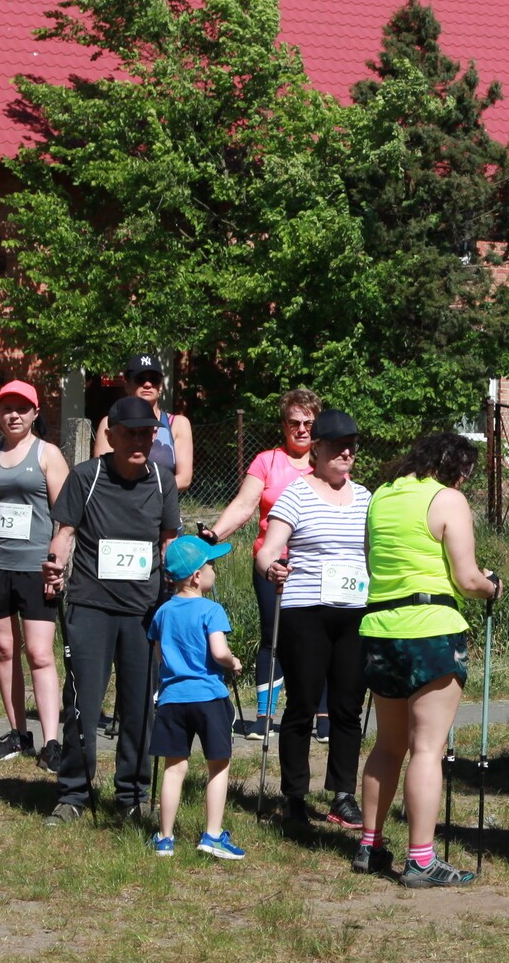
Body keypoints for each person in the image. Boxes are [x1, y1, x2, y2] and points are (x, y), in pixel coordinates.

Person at [358, 431, 504, 887]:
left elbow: (372, 561)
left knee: (387, 745)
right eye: (465, 473)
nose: (464, 481)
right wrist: (493, 586)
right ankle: (420, 860)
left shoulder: (381, 496)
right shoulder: (447, 499)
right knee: (427, 747)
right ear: (454, 467)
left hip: (380, 628)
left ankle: (369, 845)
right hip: (431, 629)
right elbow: (466, 579)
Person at [47, 396, 181, 822]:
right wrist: (55, 565)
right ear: (111, 435)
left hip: (144, 611)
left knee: (140, 707)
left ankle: (132, 796)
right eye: (131, 433)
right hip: (91, 605)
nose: (139, 441)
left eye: (147, 434)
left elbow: (169, 541)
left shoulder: (162, 481)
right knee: (82, 704)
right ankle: (73, 794)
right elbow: (65, 532)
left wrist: (181, 580)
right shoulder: (86, 476)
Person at [257, 409, 372, 830]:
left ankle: (343, 795)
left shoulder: (366, 498)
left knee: (347, 706)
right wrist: (272, 568)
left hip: (354, 612)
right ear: (317, 450)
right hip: (305, 611)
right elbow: (269, 551)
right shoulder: (297, 494)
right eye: (337, 446)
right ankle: (294, 797)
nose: (346, 453)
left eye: (351, 446)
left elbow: (375, 551)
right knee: (302, 704)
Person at [207, 387, 322, 741]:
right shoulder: (267, 461)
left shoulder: (327, 460)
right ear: (283, 425)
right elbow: (244, 505)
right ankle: (264, 716)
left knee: (320, 637)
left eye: (308, 423)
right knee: (273, 636)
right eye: (293, 423)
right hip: (271, 563)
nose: (301, 430)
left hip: (316, 564)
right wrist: (213, 535)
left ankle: (324, 715)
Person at [0, 380, 67, 766]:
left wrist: (56, 563)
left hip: (35, 570)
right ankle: (18, 733)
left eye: (22, 409)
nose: (14, 415)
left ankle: (52, 741)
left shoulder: (47, 454)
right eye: (7, 408)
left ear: (35, 413)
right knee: (5, 650)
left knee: (39, 653)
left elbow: (66, 519)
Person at [148, 535, 247, 861]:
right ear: (196, 576)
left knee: (174, 768)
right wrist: (233, 662)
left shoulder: (163, 612)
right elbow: (218, 652)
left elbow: (161, 656)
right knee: (218, 765)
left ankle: (165, 838)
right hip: (208, 697)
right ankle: (213, 835)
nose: (214, 570)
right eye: (211, 565)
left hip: (173, 698)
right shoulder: (211, 610)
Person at [121, 351, 195, 491]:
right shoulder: (111, 424)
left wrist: (147, 492)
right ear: (127, 385)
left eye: (154, 379)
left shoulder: (178, 424)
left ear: (160, 387)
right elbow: (102, 476)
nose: (148, 384)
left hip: (162, 503)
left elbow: (184, 479)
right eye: (140, 379)